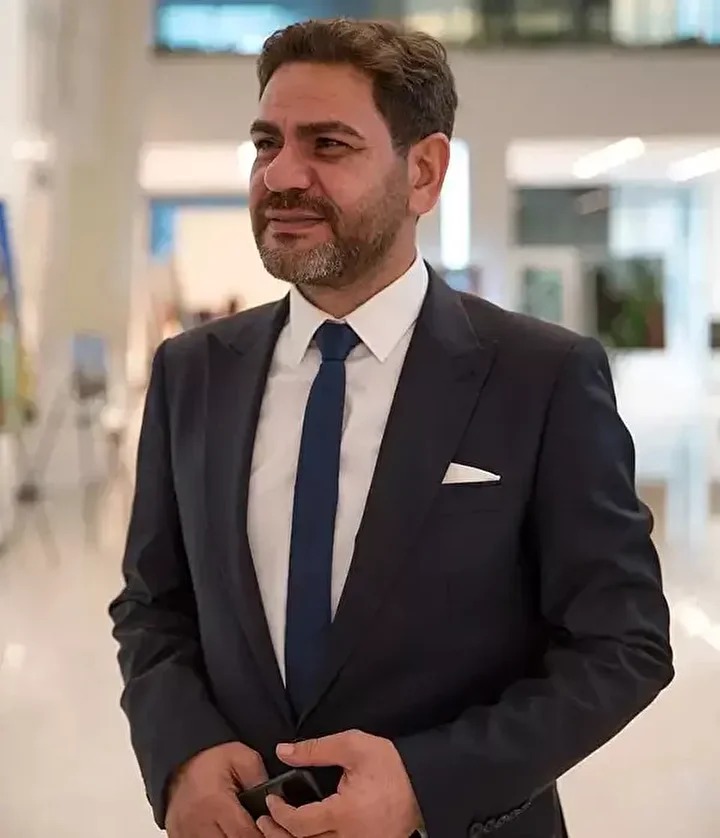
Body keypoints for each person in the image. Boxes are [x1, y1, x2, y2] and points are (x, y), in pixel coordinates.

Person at [109, 18, 673, 838]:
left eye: (328, 145)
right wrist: (181, 755)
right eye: (266, 144)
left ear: (425, 172)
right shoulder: (192, 372)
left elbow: (623, 644)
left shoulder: (541, 376)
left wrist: (425, 785)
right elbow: (153, 605)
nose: (280, 175)